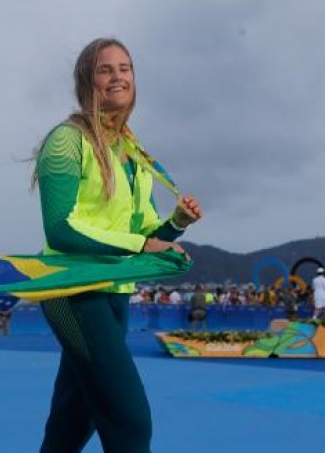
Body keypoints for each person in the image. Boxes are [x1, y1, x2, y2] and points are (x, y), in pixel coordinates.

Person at [32, 37, 202, 452]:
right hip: (69, 290)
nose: (117, 76)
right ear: (87, 80)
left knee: (75, 417)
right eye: (106, 69)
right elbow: (60, 229)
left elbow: (148, 236)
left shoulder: (131, 151)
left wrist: (175, 225)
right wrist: (140, 247)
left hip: (115, 295)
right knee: (129, 420)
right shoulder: (66, 140)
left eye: (125, 68)